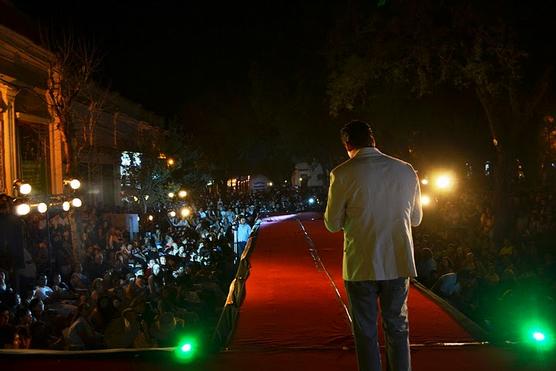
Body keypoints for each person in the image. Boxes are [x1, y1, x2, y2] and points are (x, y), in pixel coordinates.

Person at [324, 120, 422, 371]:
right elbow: (416, 219)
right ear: (373, 140)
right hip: (398, 260)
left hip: (361, 264)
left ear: (347, 144)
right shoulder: (406, 170)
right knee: (398, 328)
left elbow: (332, 224)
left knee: (366, 332)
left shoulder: (342, 173)